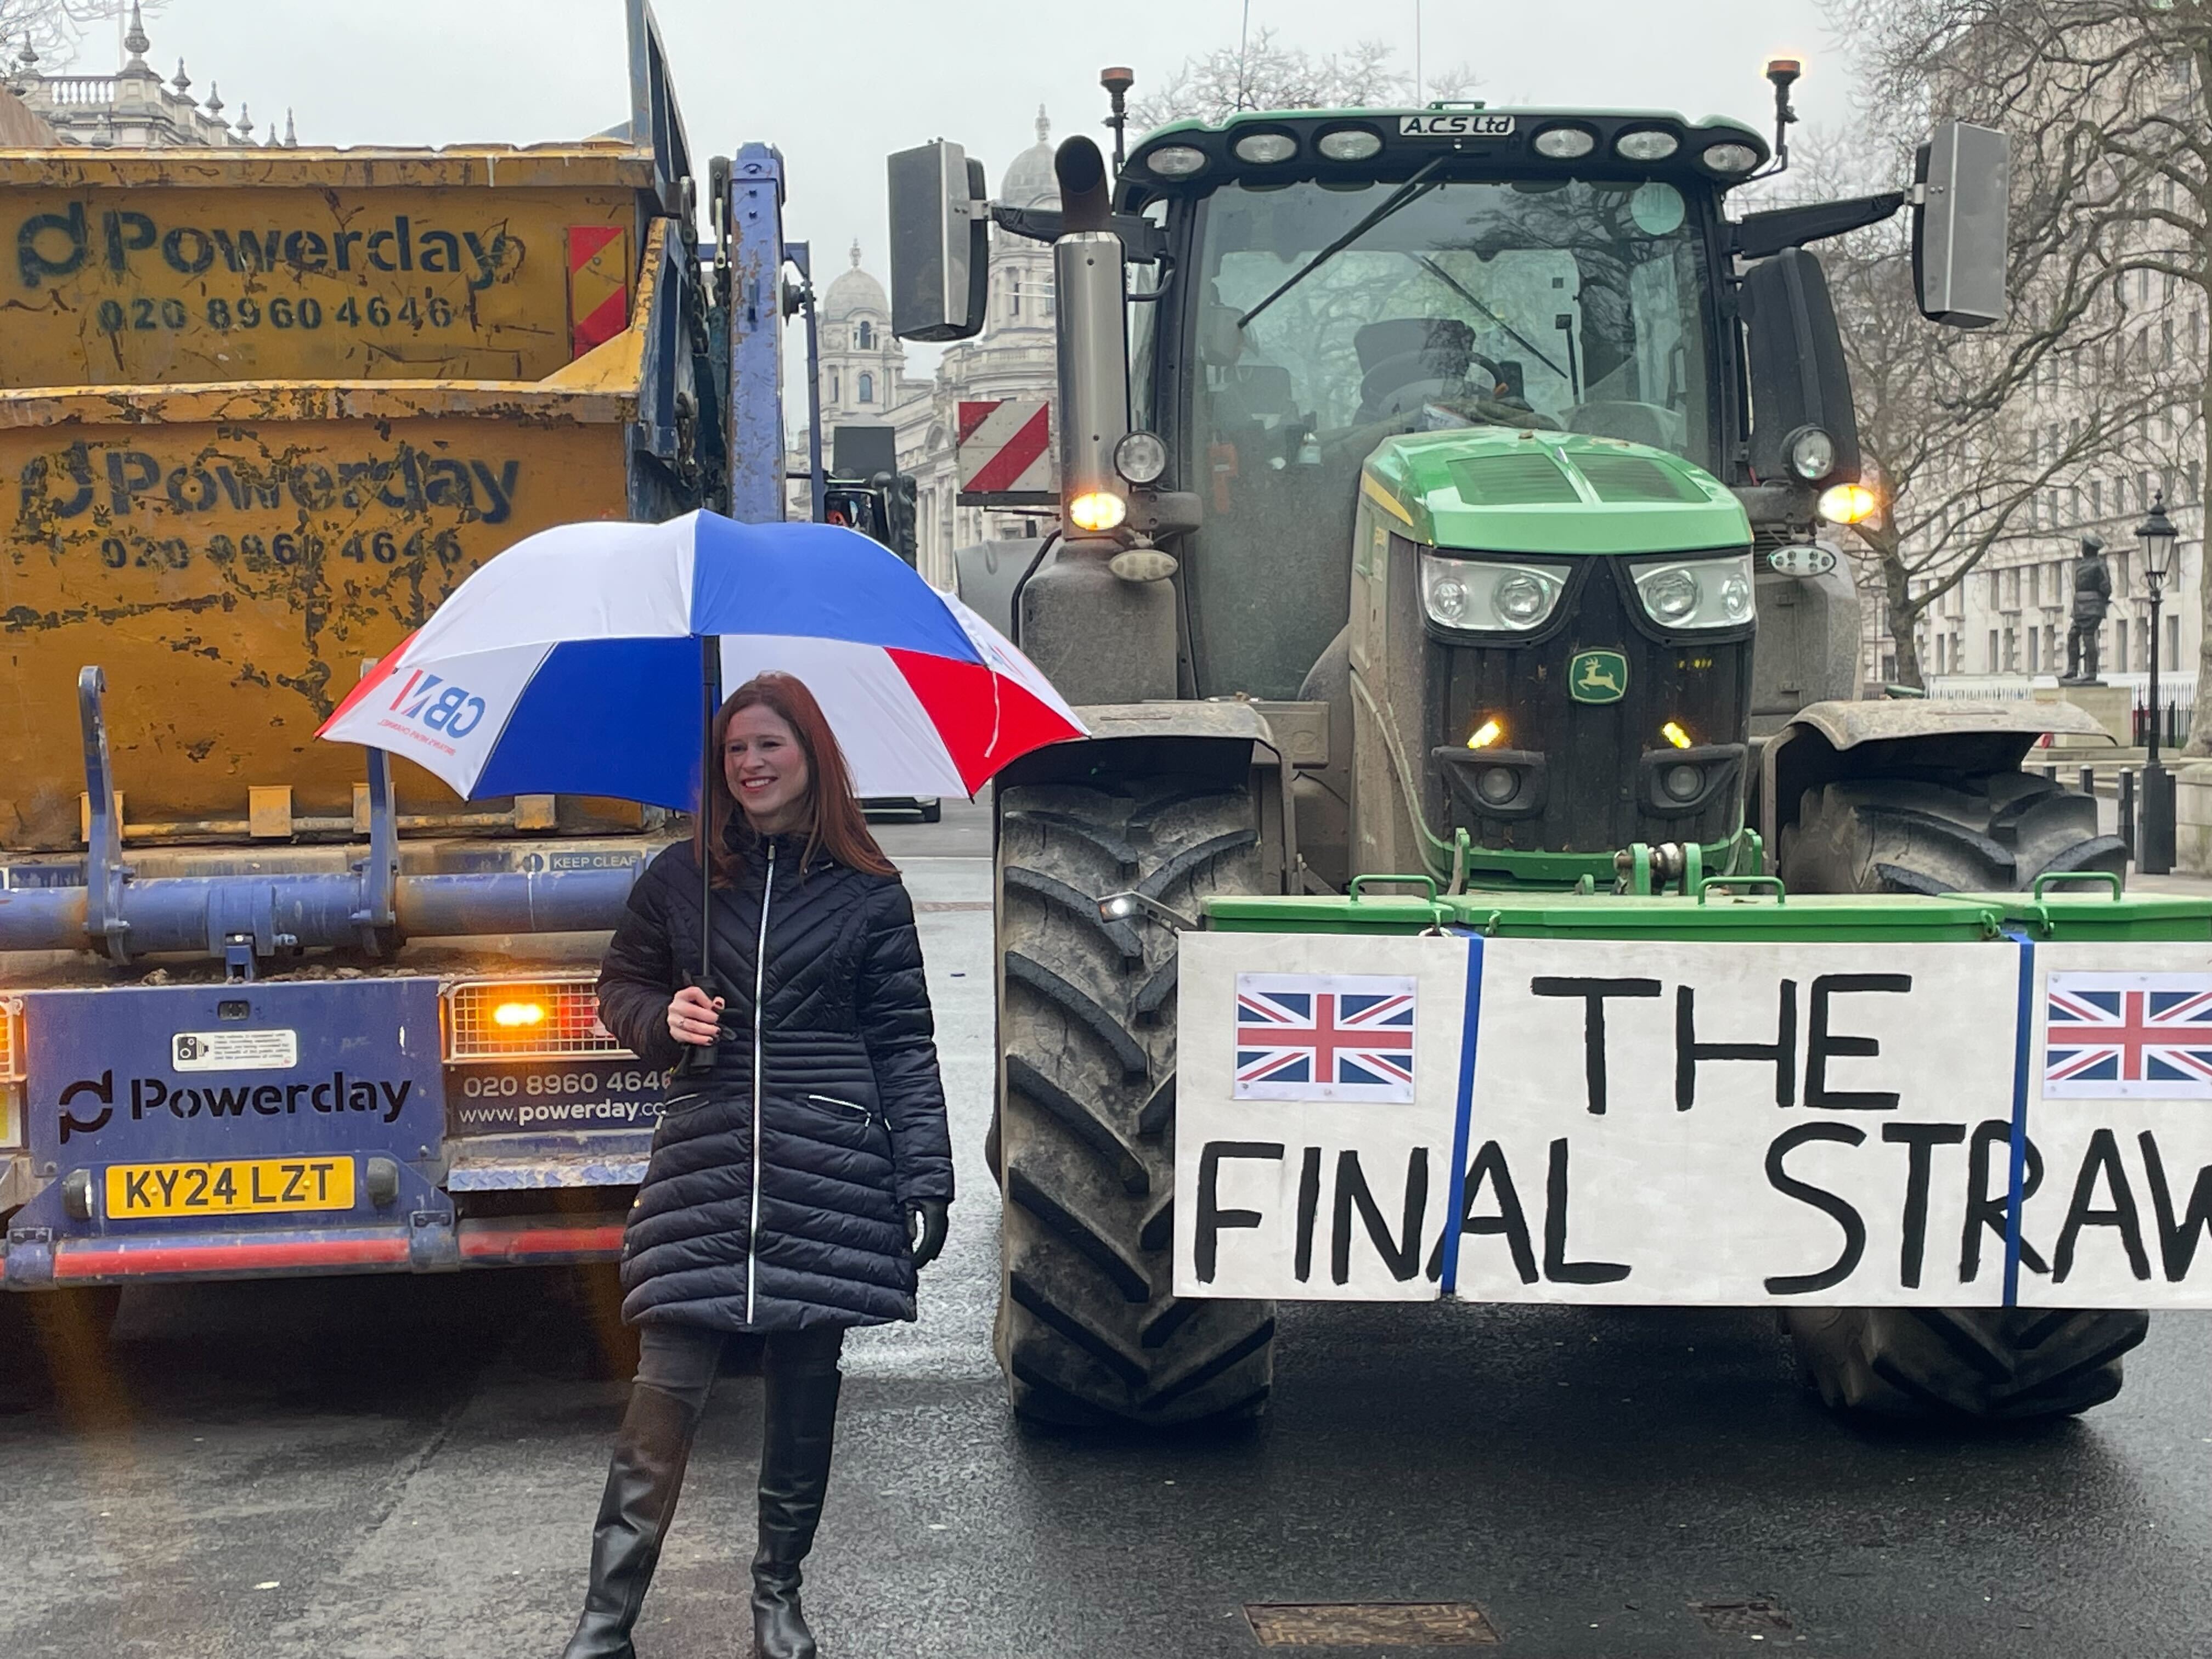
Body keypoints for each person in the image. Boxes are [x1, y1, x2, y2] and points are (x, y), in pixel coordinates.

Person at [562, 670, 953, 1659]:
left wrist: (925, 1175)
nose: (750, 765)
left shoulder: (870, 893)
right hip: (706, 1153)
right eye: (734, 750)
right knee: (667, 1383)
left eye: (768, 746)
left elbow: (904, 1042)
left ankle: (778, 1597)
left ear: (810, 756)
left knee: (806, 1381)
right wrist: (665, 1019)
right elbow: (620, 989)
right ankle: (606, 1623)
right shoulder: (679, 879)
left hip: (829, 1160)